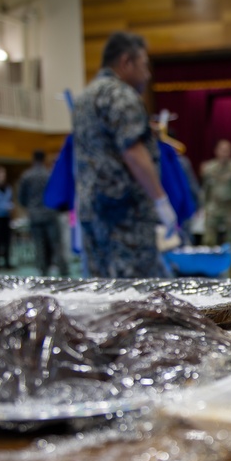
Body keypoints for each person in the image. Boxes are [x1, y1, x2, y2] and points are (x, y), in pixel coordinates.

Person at [73, 31, 177, 278]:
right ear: (125, 62)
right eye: (143, 65)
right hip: (125, 217)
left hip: (93, 213)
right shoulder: (121, 94)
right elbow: (133, 152)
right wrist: (161, 201)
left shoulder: (84, 98)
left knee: (101, 294)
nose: (147, 74)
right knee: (136, 297)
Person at [17, 150, 69, 276]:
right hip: (50, 213)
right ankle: (63, 270)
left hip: (34, 215)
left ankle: (42, 271)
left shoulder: (26, 176)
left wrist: (30, 207)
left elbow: (21, 197)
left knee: (39, 245)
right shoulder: (49, 175)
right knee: (56, 244)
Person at [200, 139, 231, 266]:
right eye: (222, 150)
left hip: (230, 208)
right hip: (214, 207)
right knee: (209, 239)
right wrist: (203, 207)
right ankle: (208, 267)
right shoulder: (209, 168)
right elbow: (206, 189)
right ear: (216, 151)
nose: (224, 153)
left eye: (227, 151)